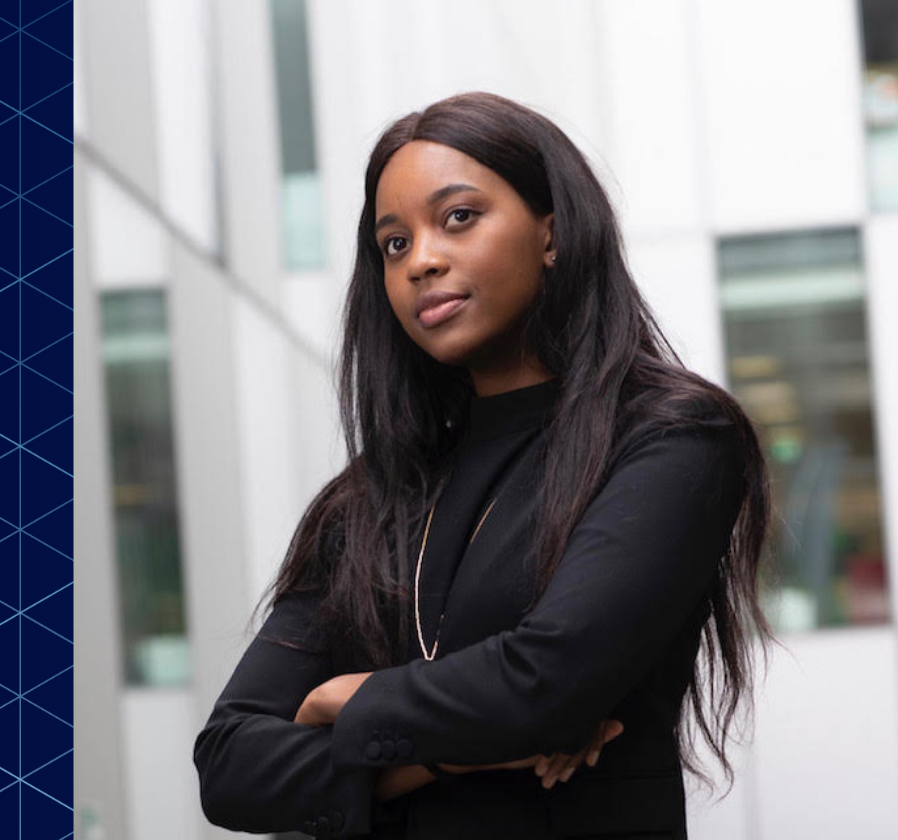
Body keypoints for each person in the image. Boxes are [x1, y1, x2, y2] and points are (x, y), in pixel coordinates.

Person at [193, 91, 775, 839]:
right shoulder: (372, 495)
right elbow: (230, 762)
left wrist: (345, 702)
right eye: (393, 244)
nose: (421, 260)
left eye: (459, 216)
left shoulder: (672, 437)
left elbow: (547, 682)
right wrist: (453, 757)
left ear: (552, 233)